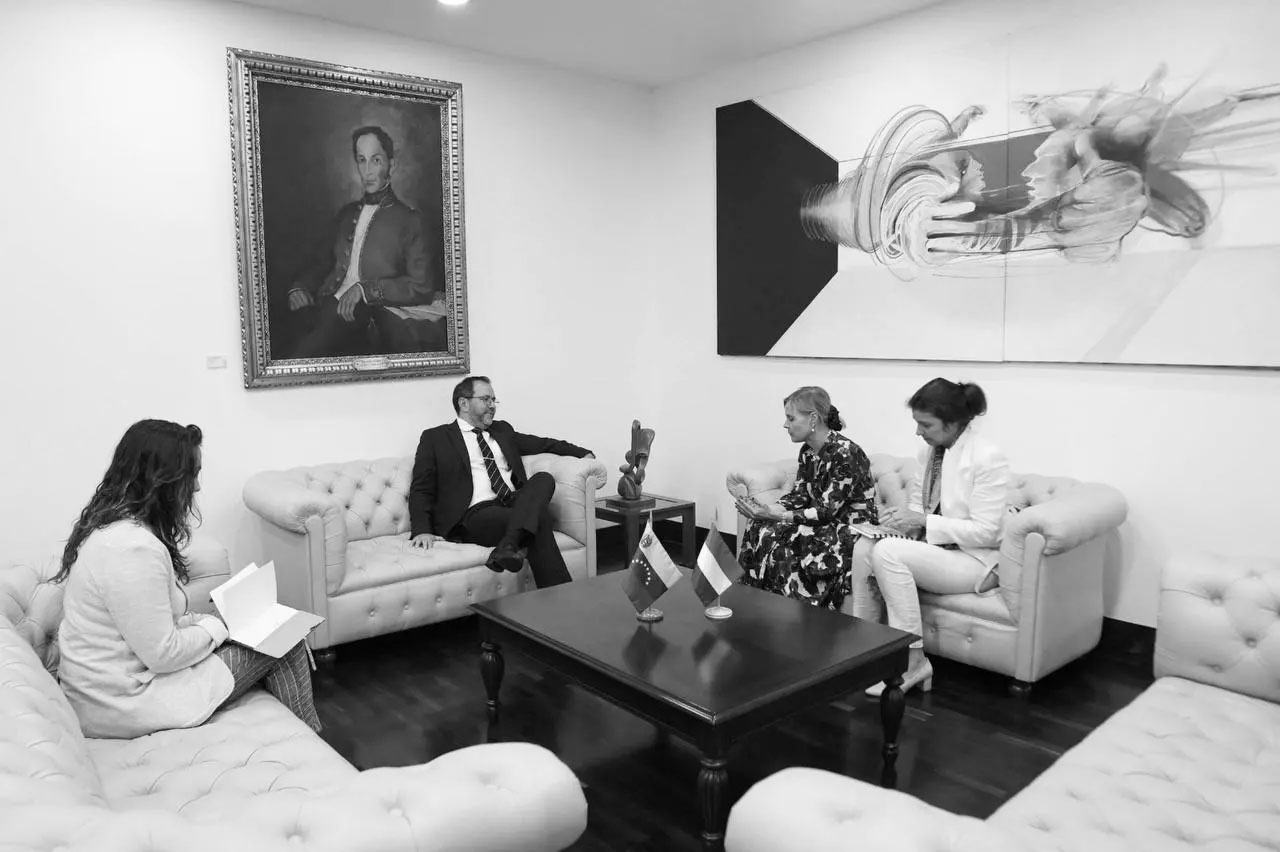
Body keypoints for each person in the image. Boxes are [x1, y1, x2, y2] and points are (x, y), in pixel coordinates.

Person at [55, 420, 320, 739]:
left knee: (265, 621)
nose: (196, 487)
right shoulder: (131, 551)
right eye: (191, 475)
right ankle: (313, 743)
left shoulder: (115, 531)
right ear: (162, 482)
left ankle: (296, 740)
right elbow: (163, 654)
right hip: (125, 703)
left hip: (113, 689)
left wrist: (211, 623)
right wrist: (219, 628)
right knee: (285, 635)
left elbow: (150, 624)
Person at [865, 379, 1010, 697]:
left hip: (975, 560)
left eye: (925, 424)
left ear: (953, 423)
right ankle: (868, 656)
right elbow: (919, 507)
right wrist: (901, 522)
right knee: (865, 547)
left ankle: (913, 660)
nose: (918, 431)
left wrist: (923, 521)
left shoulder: (987, 456)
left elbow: (987, 532)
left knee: (888, 552)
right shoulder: (930, 452)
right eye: (917, 423)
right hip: (939, 550)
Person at [408, 376, 595, 587]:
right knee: (539, 518)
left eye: (493, 400)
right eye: (485, 399)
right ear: (464, 403)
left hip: (514, 503)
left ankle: (509, 544)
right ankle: (564, 597)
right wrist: (422, 530)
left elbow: (542, 444)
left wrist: (583, 453)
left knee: (544, 478)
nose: (492, 405)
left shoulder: (501, 430)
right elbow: (421, 488)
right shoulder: (436, 438)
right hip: (475, 514)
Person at [287, 125, 435, 358]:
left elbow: (421, 286)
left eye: (376, 160)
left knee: (305, 351)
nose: (367, 171)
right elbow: (322, 263)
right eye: (361, 160)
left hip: (364, 314)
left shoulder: (409, 220)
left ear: (391, 165)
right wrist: (300, 286)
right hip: (324, 304)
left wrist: (366, 290)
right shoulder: (346, 214)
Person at [735, 386, 879, 610]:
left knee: (789, 536)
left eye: (791, 418)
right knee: (758, 524)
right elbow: (800, 496)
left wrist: (779, 515)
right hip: (823, 522)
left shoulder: (845, 453)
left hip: (849, 527)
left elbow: (826, 511)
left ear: (813, 418)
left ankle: (795, 610)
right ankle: (752, 601)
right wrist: (767, 508)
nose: (785, 425)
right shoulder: (808, 451)